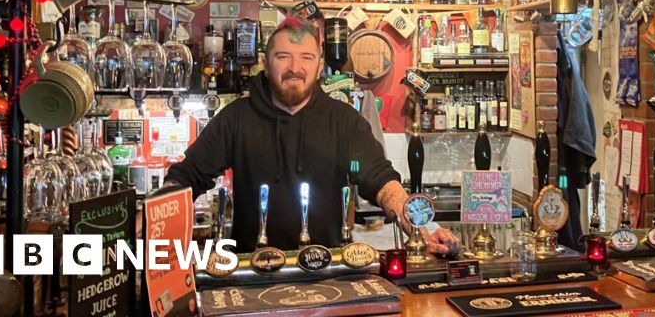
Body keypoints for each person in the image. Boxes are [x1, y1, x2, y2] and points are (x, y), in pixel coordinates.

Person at [163, 13, 460, 254]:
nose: (295, 68)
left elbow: (382, 181)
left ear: (319, 66)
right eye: (283, 57)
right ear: (266, 64)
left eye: (306, 57)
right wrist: (152, 221)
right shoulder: (237, 118)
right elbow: (186, 177)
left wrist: (421, 232)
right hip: (251, 270)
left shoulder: (343, 121)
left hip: (325, 270)